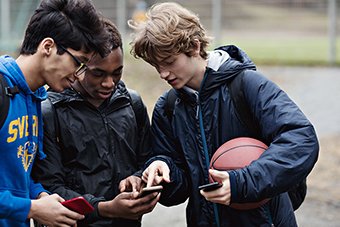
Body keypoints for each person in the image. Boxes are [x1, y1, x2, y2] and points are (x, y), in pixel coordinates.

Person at [128, 2, 319, 227]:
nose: (163, 74)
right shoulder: (167, 107)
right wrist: (162, 168)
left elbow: (301, 139)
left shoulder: (246, 86)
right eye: (156, 66)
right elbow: (177, 193)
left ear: (195, 47)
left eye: (169, 62)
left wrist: (241, 183)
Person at [32, 18, 159, 227]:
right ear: (79, 66)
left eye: (117, 72)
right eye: (98, 74)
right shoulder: (49, 111)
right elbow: (48, 188)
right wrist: (105, 208)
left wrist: (138, 179)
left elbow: (148, 160)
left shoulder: (132, 103)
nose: (109, 83)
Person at [0, 0, 110, 226]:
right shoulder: (2, 90)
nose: (79, 76)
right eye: (78, 63)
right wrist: (32, 208)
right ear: (47, 46)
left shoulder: (35, 97)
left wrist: (41, 196)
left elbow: (16, 175)